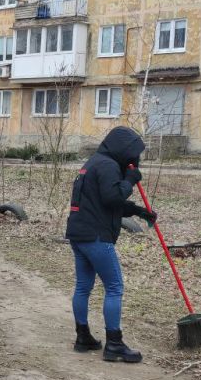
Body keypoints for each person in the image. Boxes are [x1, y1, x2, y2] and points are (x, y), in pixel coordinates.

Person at [65, 126, 156, 363]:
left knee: (83, 286)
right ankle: (114, 344)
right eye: (133, 154)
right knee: (114, 287)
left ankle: (82, 337)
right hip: (96, 236)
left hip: (79, 234)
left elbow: (104, 201)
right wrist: (130, 180)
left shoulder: (94, 163)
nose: (135, 160)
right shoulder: (107, 166)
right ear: (124, 150)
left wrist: (137, 211)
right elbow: (113, 196)